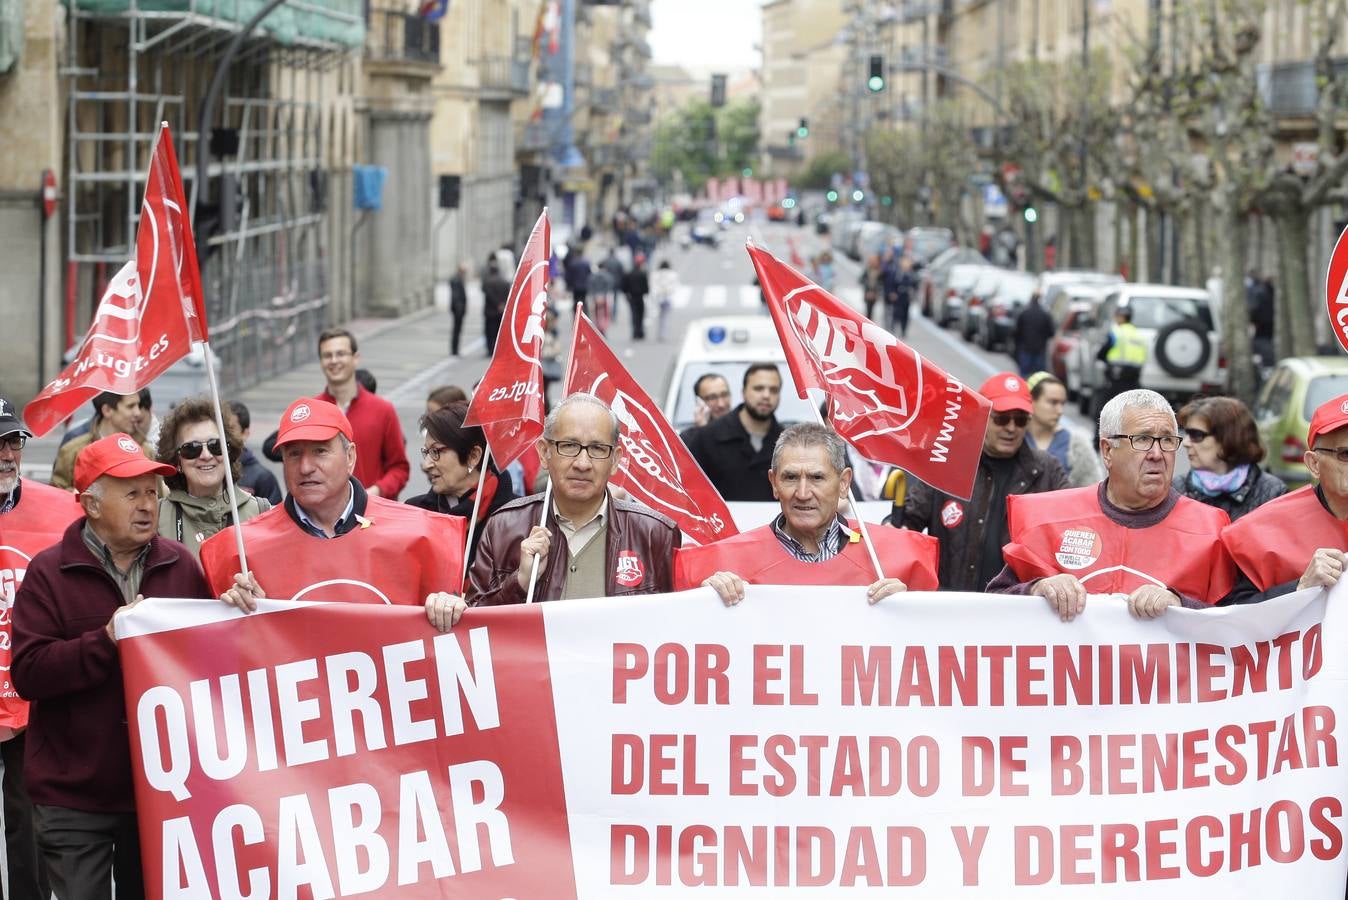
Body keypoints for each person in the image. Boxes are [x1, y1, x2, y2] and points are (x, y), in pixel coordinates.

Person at [12, 433, 211, 900]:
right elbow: (30, 672)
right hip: (73, 797)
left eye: (151, 492)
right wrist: (105, 641)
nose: (147, 505)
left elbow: (209, 660)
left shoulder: (180, 566)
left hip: (161, 792)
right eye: (131, 493)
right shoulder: (48, 573)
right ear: (91, 505)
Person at [204, 399, 467, 626]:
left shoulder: (422, 534)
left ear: (350, 457)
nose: (306, 467)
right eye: (294, 454)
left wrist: (451, 608)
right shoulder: (239, 550)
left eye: (320, 451)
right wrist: (234, 615)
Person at [988, 389, 1237, 616]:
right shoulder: (1049, 519)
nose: (1157, 454)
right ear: (1107, 451)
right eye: (1142, 439)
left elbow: (1240, 627)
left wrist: (1182, 606)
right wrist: (1036, 589)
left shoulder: (1210, 530)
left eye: (1167, 440)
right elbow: (992, 606)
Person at [675, 423, 939, 602]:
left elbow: (935, 645)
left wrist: (910, 609)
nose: (802, 493)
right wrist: (704, 602)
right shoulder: (724, 563)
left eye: (816, 477)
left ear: (844, 483)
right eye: (790, 477)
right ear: (774, 483)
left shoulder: (896, 561)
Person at [468, 393, 681, 604]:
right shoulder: (504, 527)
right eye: (569, 446)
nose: (582, 463)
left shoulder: (654, 533)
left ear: (615, 460)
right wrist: (520, 582)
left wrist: (708, 593)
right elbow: (474, 624)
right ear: (544, 452)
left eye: (597, 448)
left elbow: (681, 618)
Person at [0, 399, 79, 900]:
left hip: (31, 695)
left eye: (12, 441)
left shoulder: (60, 510)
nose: (6, 453)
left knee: (27, 820)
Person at [899, 372, 1068, 591]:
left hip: (1018, 609)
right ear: (981, 416)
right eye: (1001, 418)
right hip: (951, 606)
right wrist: (893, 528)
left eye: (1019, 420)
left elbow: (1072, 529)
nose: (1011, 427)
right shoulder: (948, 462)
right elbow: (907, 521)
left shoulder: (1047, 470)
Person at [1220, 393, 1348, 604]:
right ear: (1314, 464)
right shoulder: (1262, 531)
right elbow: (1230, 618)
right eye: (1345, 454)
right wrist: (1301, 586)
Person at [154, 397, 271, 560]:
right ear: (176, 461)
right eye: (192, 449)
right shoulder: (156, 518)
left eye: (215, 446)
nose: (206, 455)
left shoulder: (261, 513)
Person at [405, 401, 518, 568]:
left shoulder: (517, 516)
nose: (427, 464)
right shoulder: (415, 513)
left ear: (473, 456)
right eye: (427, 452)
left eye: (436, 452)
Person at [683, 363, 786, 501]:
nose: (766, 395)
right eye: (758, 388)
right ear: (743, 392)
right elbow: (688, 493)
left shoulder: (787, 443)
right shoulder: (706, 438)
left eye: (773, 390)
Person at [1173, 395, 1284, 521]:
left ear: (1228, 438)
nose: (1186, 442)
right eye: (1187, 433)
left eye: (1197, 435)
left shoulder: (1273, 493)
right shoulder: (1176, 489)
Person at [50, 392, 150, 491]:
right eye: (130, 406)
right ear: (107, 410)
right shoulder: (72, 451)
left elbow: (157, 497)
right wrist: (75, 495)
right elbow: (55, 494)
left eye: (138, 405)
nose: (138, 413)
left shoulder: (145, 452)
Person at [1024, 372, 1103, 488]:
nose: (1060, 411)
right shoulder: (1015, 437)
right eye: (1053, 402)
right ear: (1031, 400)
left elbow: (1092, 490)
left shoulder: (1076, 445)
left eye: (1062, 404)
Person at [1093, 306, 1148, 425]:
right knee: (1131, 409)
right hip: (1133, 379)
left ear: (1121, 317)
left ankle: (1101, 437)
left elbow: (1102, 353)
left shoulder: (1116, 333)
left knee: (1104, 410)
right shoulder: (1139, 335)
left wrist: (1103, 360)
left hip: (1115, 377)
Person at [228, 401, 282, 505]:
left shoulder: (263, 478)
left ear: (245, 433)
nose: (224, 434)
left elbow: (273, 516)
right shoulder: (210, 472)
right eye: (220, 428)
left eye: (231, 429)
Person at [1012, 292, 1055, 377]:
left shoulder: (1024, 312)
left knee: (1024, 374)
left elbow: (1016, 332)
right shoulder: (1045, 314)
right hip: (1039, 349)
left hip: (1025, 348)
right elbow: (1051, 332)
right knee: (1038, 376)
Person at [482, 260, 510, 357]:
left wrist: (497, 304)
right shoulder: (505, 282)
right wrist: (501, 304)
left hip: (490, 312)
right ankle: (498, 351)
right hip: (501, 312)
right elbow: (508, 295)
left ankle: (490, 350)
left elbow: (487, 294)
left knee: (489, 332)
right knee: (500, 332)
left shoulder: (487, 282)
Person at [652, 258, 679, 342]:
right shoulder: (673, 274)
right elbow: (674, 286)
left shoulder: (656, 274)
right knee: (665, 317)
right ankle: (663, 334)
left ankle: (660, 333)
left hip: (659, 297)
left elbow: (653, 286)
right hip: (667, 297)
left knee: (660, 317)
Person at [564, 244, 591, 316]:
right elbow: (589, 274)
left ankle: (576, 315)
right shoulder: (586, 262)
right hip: (584, 285)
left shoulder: (573, 262)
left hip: (575, 286)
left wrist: (568, 285)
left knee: (576, 301)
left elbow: (568, 276)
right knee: (584, 300)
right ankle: (584, 314)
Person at [449, 262, 468, 358]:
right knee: (456, 330)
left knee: (457, 330)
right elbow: (456, 297)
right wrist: (460, 309)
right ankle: (454, 350)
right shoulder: (457, 280)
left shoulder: (457, 279)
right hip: (458, 310)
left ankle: (455, 349)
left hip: (458, 309)